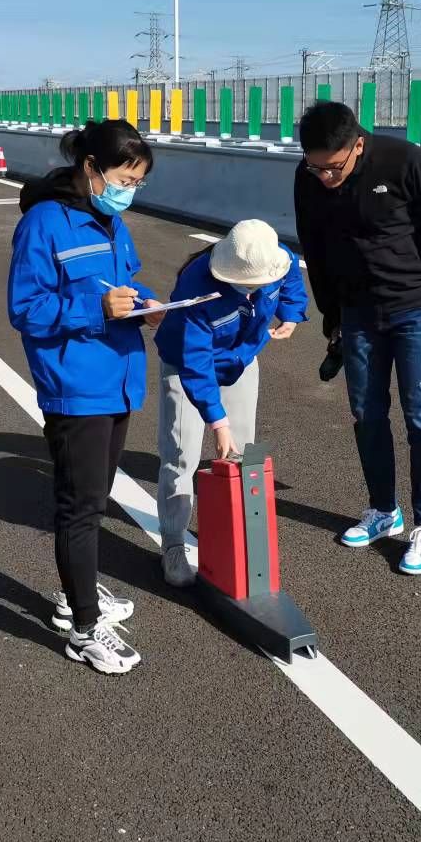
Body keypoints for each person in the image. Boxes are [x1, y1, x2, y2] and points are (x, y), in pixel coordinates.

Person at [7, 119, 162, 674]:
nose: (130, 190)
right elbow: (25, 310)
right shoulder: (45, 223)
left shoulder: (112, 221)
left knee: (95, 501)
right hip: (75, 388)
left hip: (119, 378)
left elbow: (124, 283)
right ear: (91, 168)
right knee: (80, 506)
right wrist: (95, 311)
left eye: (139, 182)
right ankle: (84, 625)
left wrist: (145, 304)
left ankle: (81, 592)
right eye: (125, 177)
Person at [292, 101, 421, 576]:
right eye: (315, 167)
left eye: (333, 168)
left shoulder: (406, 161)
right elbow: (313, 244)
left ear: (358, 144)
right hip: (357, 312)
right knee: (366, 414)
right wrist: (332, 315)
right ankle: (383, 511)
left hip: (416, 307)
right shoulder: (307, 175)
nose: (324, 177)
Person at [153, 219, 307, 586]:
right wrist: (217, 423)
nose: (254, 290)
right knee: (181, 455)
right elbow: (195, 362)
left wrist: (292, 313)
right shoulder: (196, 286)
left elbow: (292, 283)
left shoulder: (276, 258)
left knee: (241, 454)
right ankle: (173, 543)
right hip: (187, 364)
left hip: (241, 359)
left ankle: (235, 535)